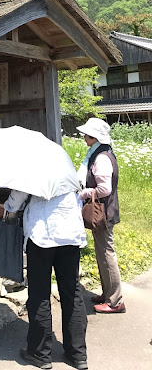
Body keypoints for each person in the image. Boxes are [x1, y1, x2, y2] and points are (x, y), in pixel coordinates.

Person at [2, 189, 88, 370]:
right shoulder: (66, 166)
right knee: (72, 292)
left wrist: (6, 208)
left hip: (42, 235)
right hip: (70, 233)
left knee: (40, 293)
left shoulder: (33, 167)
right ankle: (78, 354)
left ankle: (40, 353)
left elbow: (16, 200)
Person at [76, 117, 125, 314]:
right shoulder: (98, 153)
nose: (83, 137)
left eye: (86, 134)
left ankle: (115, 301)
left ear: (94, 136)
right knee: (102, 252)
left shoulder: (101, 157)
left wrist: (85, 193)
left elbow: (104, 188)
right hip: (104, 210)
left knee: (106, 253)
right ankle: (108, 294)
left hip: (104, 211)